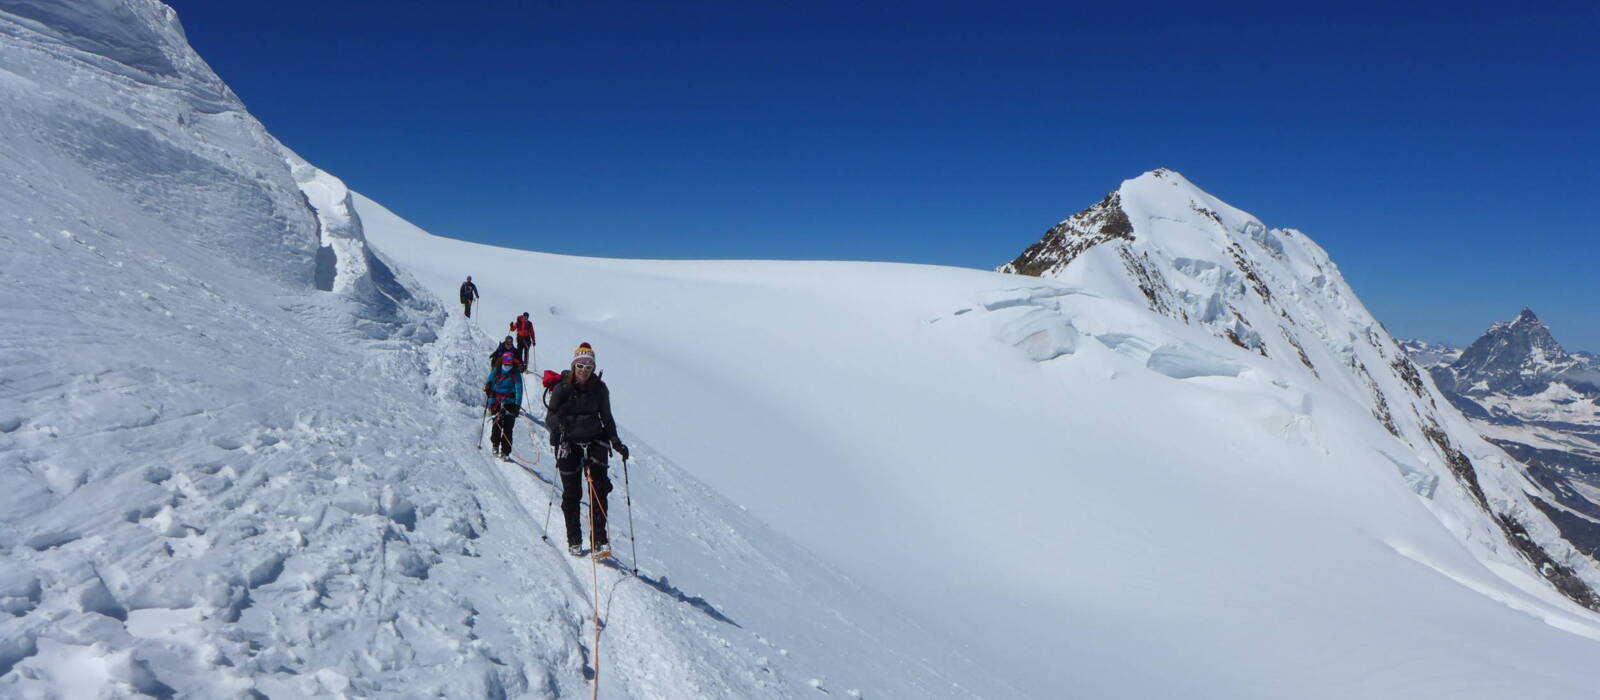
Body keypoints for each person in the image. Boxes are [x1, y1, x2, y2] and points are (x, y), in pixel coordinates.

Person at [547, 342, 629, 557]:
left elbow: (607, 418)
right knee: (573, 493)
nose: (584, 369)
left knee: (598, 490)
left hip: (595, 441)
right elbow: (550, 420)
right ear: (574, 365)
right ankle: (574, 538)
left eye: (589, 366)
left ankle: (599, 539)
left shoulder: (600, 389)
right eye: (580, 365)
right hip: (568, 443)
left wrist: (616, 441)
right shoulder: (562, 389)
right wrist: (561, 414)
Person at [483, 351, 524, 460]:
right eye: (505, 364)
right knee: (497, 424)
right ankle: (495, 444)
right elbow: (489, 380)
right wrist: (488, 387)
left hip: (510, 403)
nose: (507, 367)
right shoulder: (496, 370)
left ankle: (505, 451)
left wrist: (517, 405)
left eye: (509, 365)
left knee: (508, 428)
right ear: (502, 363)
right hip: (496, 400)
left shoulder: (515, 373)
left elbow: (519, 390)